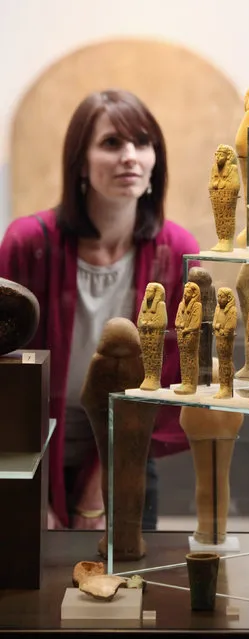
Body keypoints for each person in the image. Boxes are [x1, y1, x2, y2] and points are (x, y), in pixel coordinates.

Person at [0, 89, 199, 530]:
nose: (130, 156)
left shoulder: (177, 251)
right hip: (18, 445)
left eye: (142, 143)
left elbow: (165, 379)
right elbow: (5, 371)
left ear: (155, 161)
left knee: (127, 584)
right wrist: (34, 493)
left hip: (127, 444)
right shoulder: (27, 244)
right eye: (111, 143)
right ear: (81, 163)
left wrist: (99, 487)